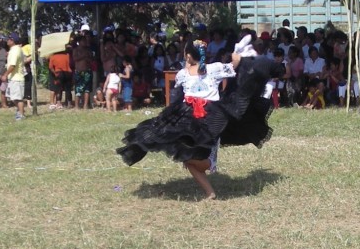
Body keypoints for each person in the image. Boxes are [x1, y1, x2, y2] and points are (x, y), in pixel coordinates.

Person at [117, 35, 283, 200]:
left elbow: (179, 95)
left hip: (205, 119)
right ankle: (209, 188)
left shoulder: (185, 73)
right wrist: (237, 55)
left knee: (192, 158)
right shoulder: (213, 68)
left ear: (188, 55)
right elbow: (235, 66)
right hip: (202, 118)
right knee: (189, 156)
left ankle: (207, 171)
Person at [4, 34, 26, 120]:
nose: (7, 41)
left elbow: (13, 65)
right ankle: (20, 111)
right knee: (13, 97)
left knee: (17, 98)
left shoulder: (15, 51)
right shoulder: (15, 50)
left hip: (16, 78)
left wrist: (5, 74)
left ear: (12, 40)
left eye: (8, 39)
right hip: (13, 78)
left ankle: (21, 114)